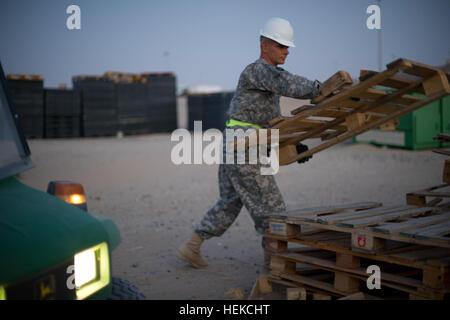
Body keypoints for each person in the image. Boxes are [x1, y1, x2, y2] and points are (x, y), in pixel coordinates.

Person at [177, 17, 322, 268]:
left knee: (230, 201)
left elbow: (269, 123)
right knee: (272, 208)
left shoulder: (265, 81)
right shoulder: (258, 71)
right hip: (243, 146)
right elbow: (286, 82)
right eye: (280, 45)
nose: (286, 51)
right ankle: (274, 266)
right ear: (264, 45)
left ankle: (192, 246)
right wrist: (319, 88)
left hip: (236, 142)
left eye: (288, 47)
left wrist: (293, 145)